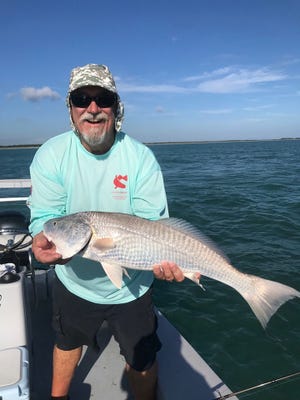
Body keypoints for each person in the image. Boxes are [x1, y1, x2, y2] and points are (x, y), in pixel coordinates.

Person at [29, 63, 186, 400]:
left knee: (142, 361)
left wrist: (169, 260)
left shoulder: (141, 158)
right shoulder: (51, 155)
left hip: (131, 288)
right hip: (75, 283)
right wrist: (41, 237)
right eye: (81, 98)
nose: (93, 108)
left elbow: (154, 227)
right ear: (70, 110)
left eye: (104, 99)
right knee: (66, 343)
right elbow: (46, 216)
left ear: (117, 108)